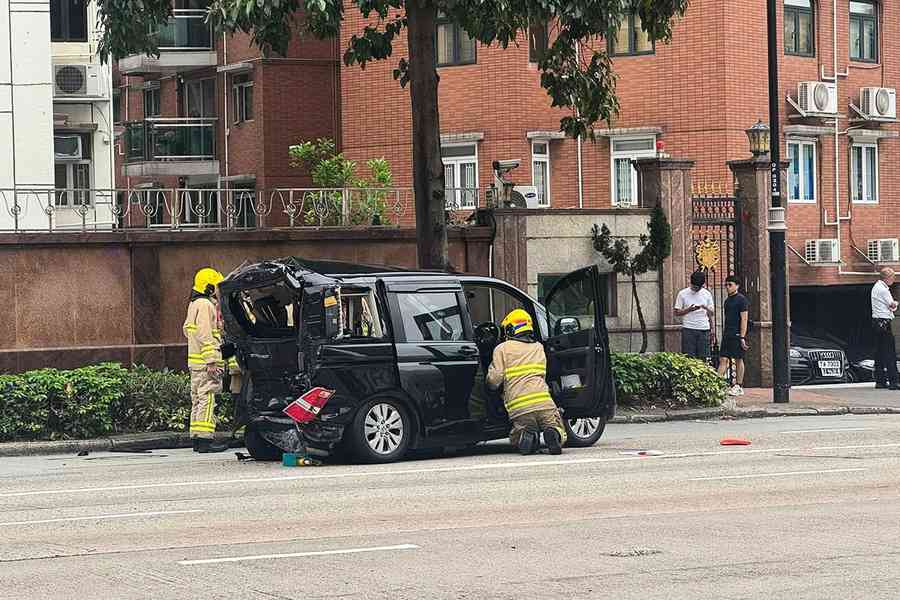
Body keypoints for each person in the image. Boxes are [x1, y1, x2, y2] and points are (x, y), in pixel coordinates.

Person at [486, 309, 567, 455]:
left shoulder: (501, 349)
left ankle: (528, 436)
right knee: (558, 429)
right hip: (544, 403)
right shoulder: (539, 348)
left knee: (518, 435)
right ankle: (553, 434)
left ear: (510, 329)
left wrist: (488, 385)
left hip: (520, 407)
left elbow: (494, 380)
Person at [183, 267, 230, 453]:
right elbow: (204, 334)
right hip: (205, 363)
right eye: (216, 286)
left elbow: (188, 331)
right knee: (207, 399)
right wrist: (211, 360)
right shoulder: (205, 305)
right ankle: (205, 441)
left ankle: (196, 439)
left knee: (198, 399)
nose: (218, 290)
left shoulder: (194, 304)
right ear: (210, 287)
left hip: (196, 362)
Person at [717, 275, 749, 397]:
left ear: (737, 286)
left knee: (738, 358)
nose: (727, 287)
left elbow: (744, 319)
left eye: (730, 285)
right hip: (727, 333)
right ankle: (716, 384)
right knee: (723, 359)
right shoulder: (727, 301)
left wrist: (742, 336)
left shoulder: (741, 300)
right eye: (726, 285)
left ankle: (739, 385)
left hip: (737, 333)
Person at [674, 271, 715, 360]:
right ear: (691, 283)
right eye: (694, 287)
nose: (696, 289)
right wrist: (689, 309)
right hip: (689, 329)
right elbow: (676, 312)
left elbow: (712, 313)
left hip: (704, 329)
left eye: (698, 287)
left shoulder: (706, 294)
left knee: (703, 358)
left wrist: (705, 308)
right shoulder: (682, 293)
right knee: (689, 358)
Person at [871, 267, 899, 390]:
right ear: (887, 278)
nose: (894, 279)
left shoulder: (876, 287)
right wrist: (896, 303)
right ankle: (894, 381)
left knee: (879, 352)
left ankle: (880, 380)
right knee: (890, 352)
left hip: (876, 322)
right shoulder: (884, 290)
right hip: (884, 322)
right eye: (893, 277)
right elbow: (892, 305)